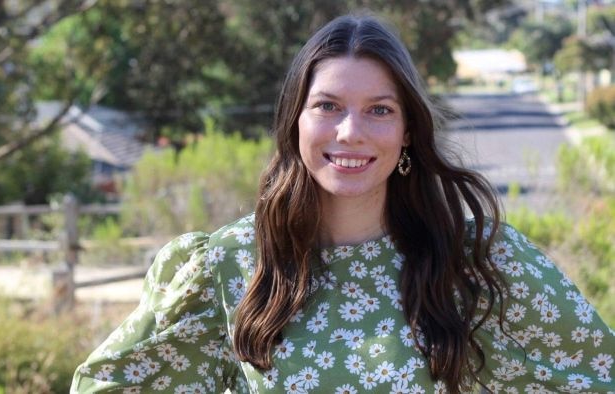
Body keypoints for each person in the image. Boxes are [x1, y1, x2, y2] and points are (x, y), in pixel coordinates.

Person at [71, 14, 615, 393]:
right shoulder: (228, 263)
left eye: (379, 110)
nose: (351, 132)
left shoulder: (473, 258)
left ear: (407, 132)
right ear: (296, 122)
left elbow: (595, 375)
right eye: (328, 105)